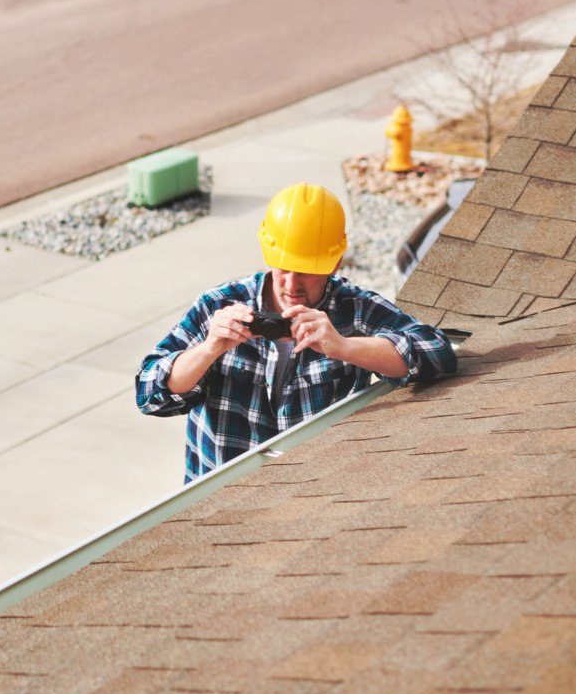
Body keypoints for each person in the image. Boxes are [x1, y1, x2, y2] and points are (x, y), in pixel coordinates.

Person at [136, 182, 457, 483]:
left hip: (310, 497)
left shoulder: (354, 310)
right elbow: (149, 395)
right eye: (283, 267)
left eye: (306, 272)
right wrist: (209, 349)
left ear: (335, 263)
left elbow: (438, 352)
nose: (291, 284)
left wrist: (344, 346)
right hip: (218, 501)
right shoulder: (219, 305)